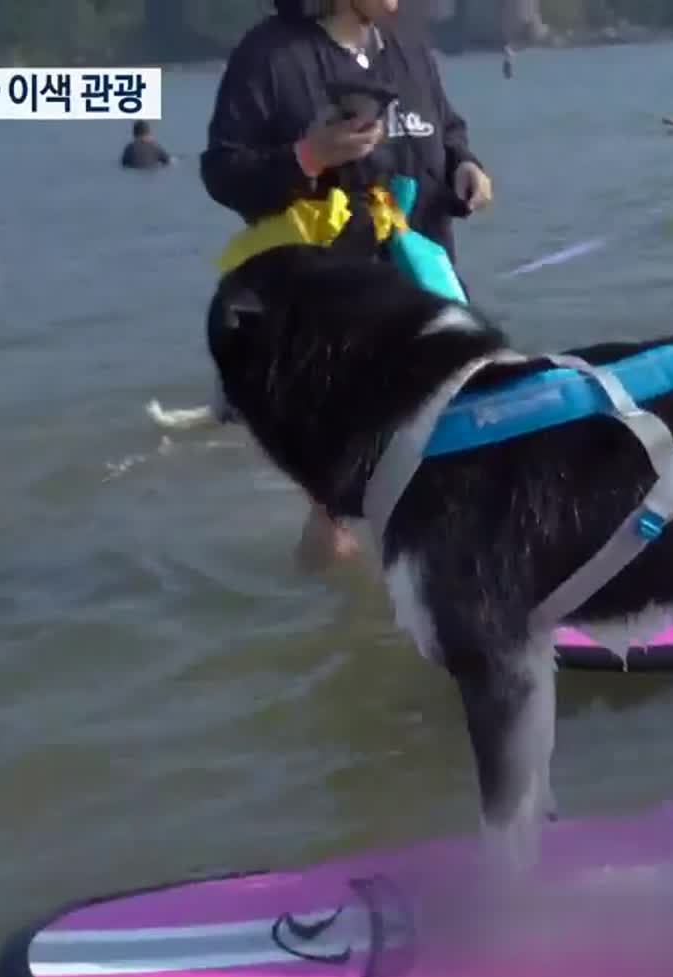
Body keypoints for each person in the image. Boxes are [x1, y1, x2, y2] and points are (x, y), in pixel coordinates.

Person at [202, 0, 493, 567]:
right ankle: (326, 625)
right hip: (326, 306)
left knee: (451, 445)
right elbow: (222, 171)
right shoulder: (268, 56)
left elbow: (446, 129)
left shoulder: (405, 44)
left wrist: (465, 166)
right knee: (338, 497)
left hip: (419, 281)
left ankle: (416, 606)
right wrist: (308, 157)